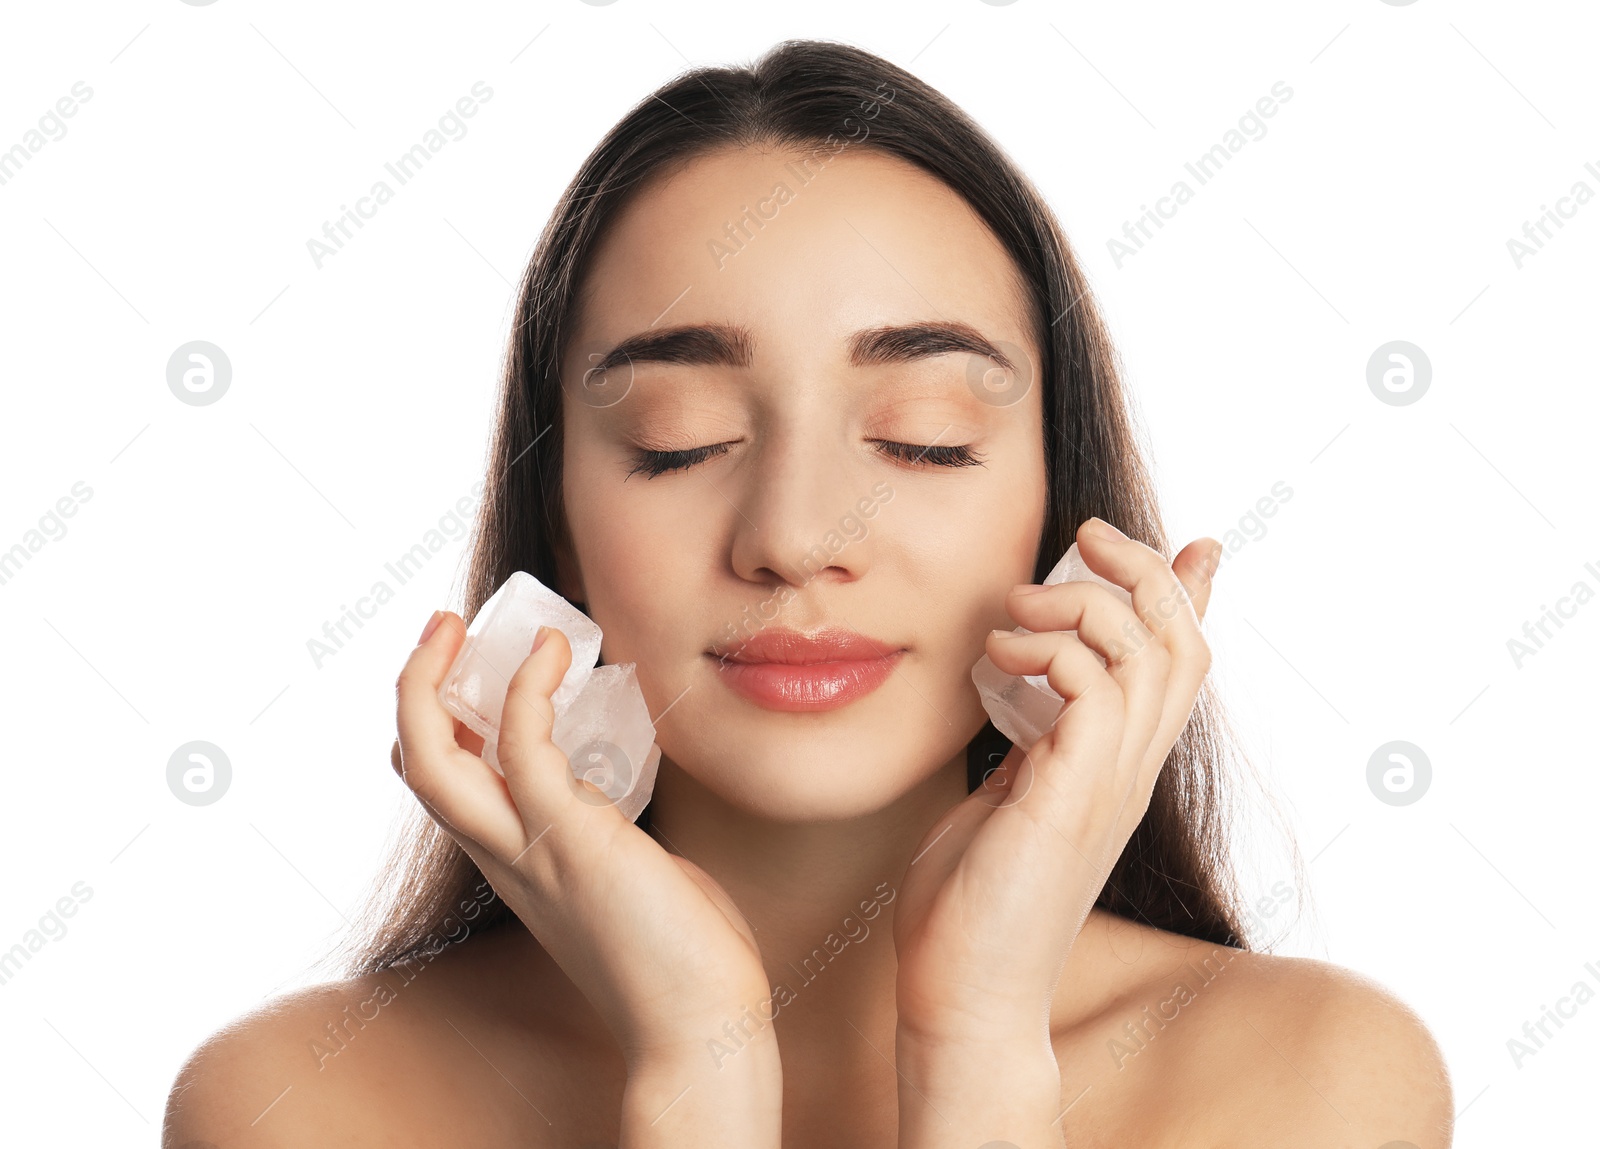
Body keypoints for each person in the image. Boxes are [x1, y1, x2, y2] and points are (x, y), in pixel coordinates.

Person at [162, 39, 1453, 1148]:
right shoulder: (301, 1107)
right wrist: (701, 1068)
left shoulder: (1311, 1083)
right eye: (677, 438)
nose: (794, 536)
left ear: (1062, 513)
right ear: (555, 522)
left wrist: (978, 1047)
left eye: (924, 436)